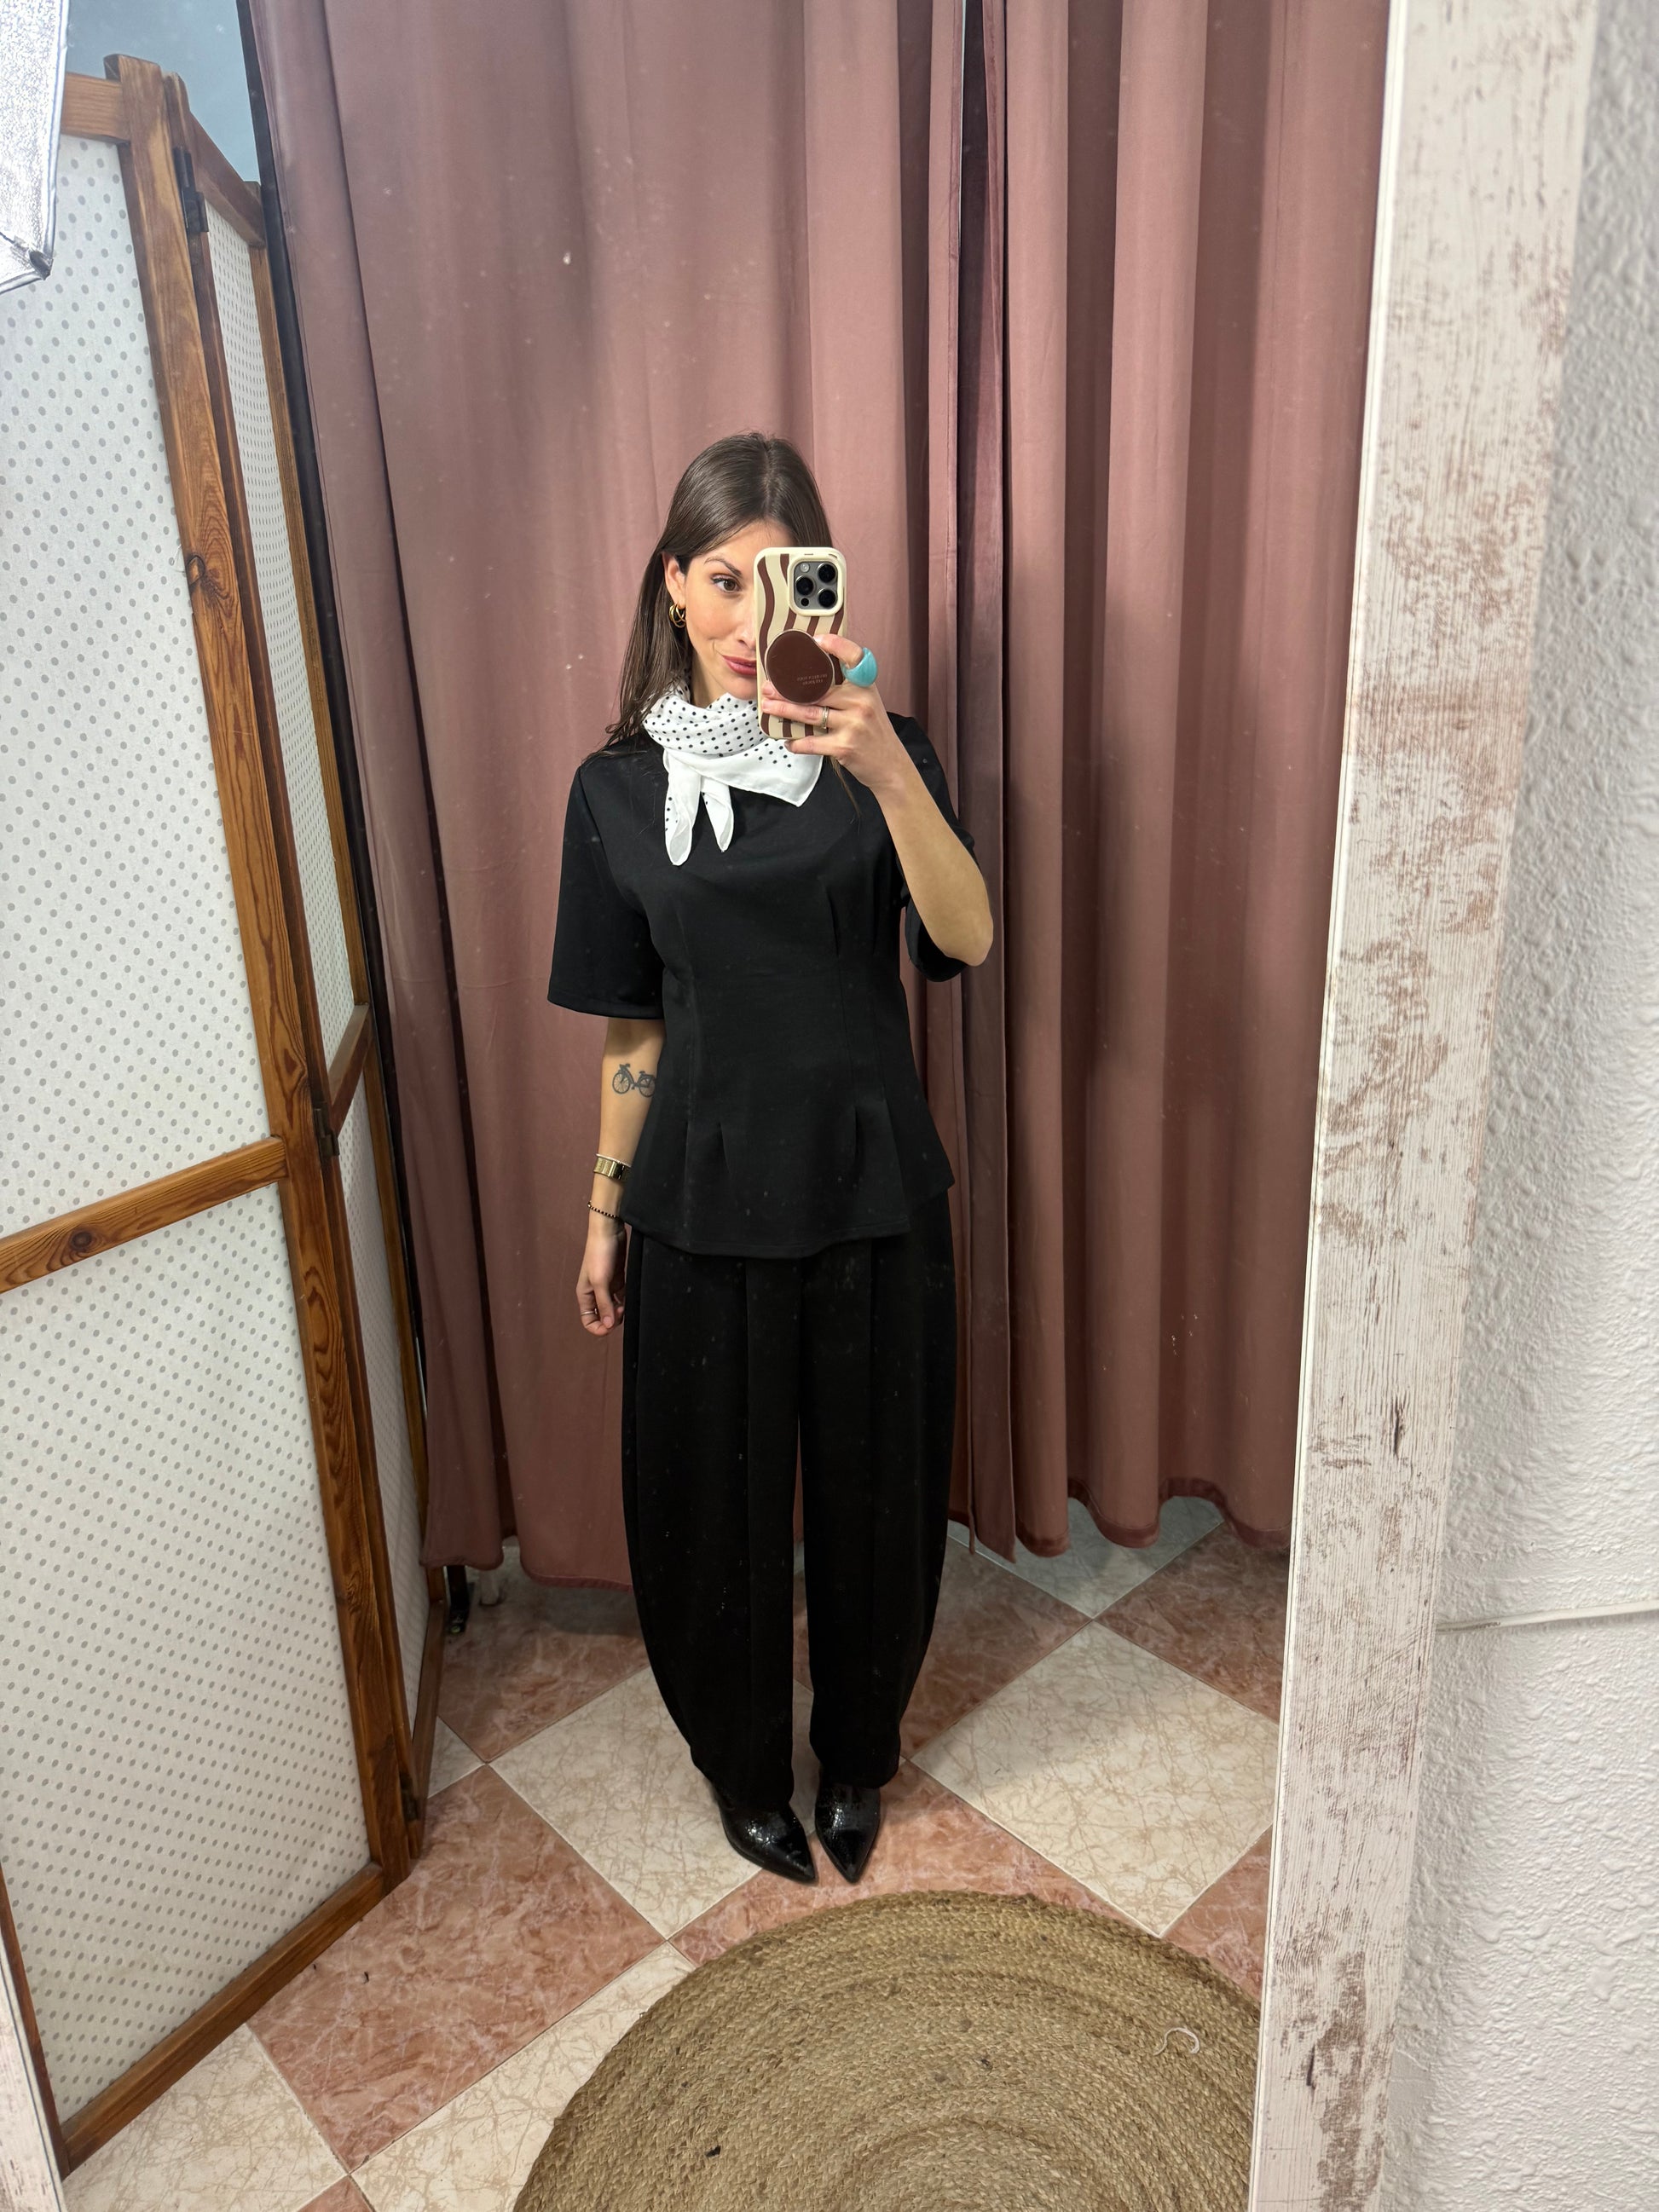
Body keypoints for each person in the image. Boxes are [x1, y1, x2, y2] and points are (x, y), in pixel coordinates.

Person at [547, 432, 991, 1886]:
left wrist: (886, 770)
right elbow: (632, 1030)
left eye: (778, 579)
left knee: (878, 1497)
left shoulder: (877, 748)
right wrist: (603, 1217)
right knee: (706, 1515)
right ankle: (744, 1772)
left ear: (821, 587)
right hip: (697, 1199)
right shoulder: (615, 791)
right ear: (675, 586)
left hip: (870, 1187)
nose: (749, 617)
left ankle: (856, 1752)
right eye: (722, 581)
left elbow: (966, 939)